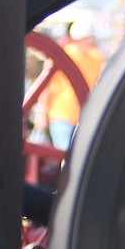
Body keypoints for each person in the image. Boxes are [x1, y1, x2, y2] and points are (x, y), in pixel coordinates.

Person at [34, 17, 106, 150]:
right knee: (65, 153)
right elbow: (47, 85)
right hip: (62, 113)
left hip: (82, 115)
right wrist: (42, 112)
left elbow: (98, 84)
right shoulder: (66, 54)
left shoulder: (96, 57)